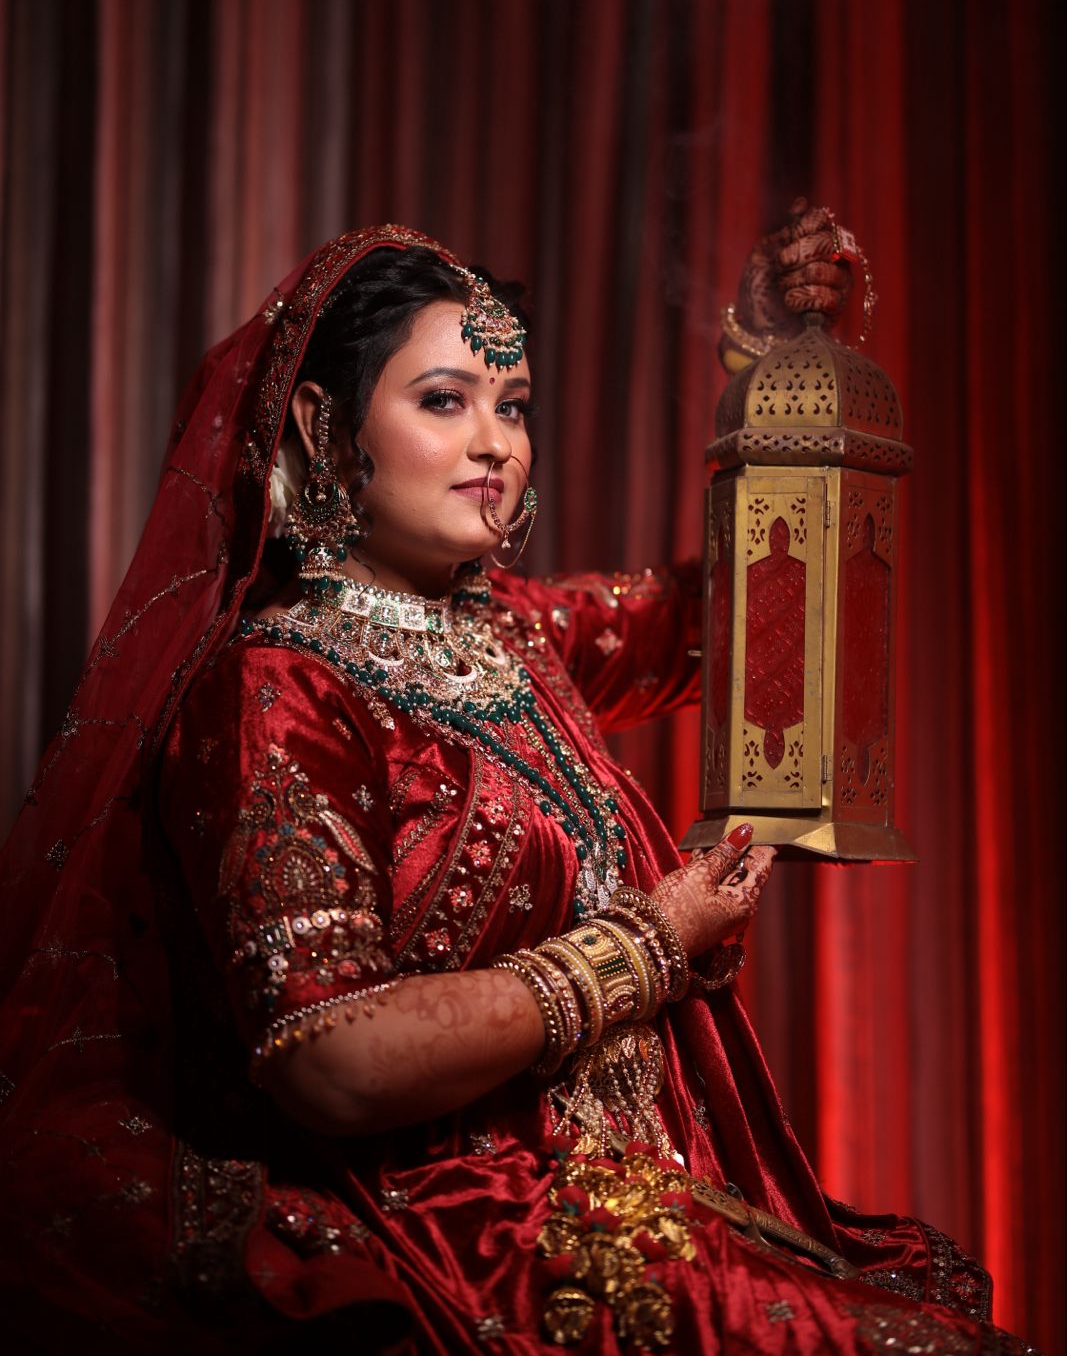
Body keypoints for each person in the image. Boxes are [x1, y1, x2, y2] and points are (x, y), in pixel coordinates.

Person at [0, 221, 1035, 1354]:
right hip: (457, 1223)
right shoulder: (273, 688)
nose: (494, 442)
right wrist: (647, 943)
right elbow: (330, 1054)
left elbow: (740, 606)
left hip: (646, 1197)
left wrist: (784, 364)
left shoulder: (517, 631)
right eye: (444, 400)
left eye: (514, 404)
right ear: (321, 425)